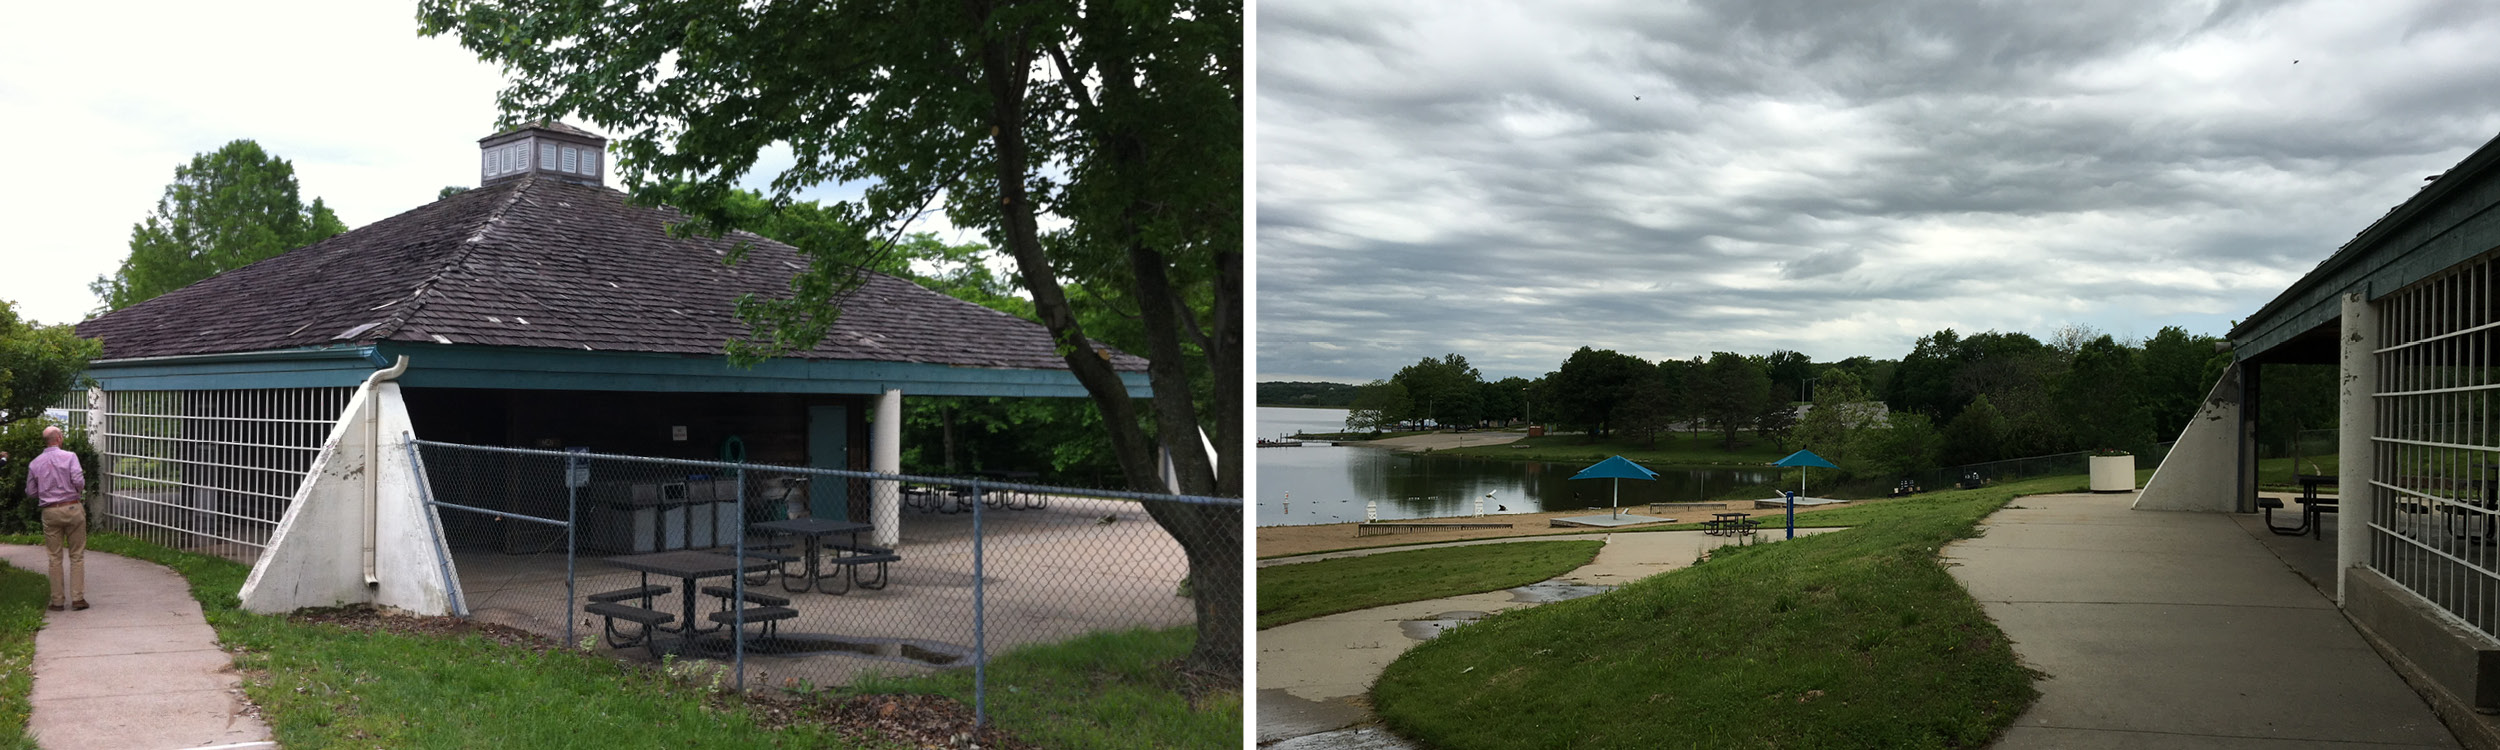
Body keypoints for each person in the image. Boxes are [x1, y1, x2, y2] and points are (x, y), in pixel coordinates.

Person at [26, 426, 86, 612]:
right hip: (72, 507)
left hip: (50, 511)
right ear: (59, 438)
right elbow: (78, 480)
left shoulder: (35, 463)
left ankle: (57, 601)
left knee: (54, 557)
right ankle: (77, 598)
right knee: (76, 555)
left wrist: (46, 493)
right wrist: (75, 491)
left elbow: (30, 492)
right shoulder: (70, 457)